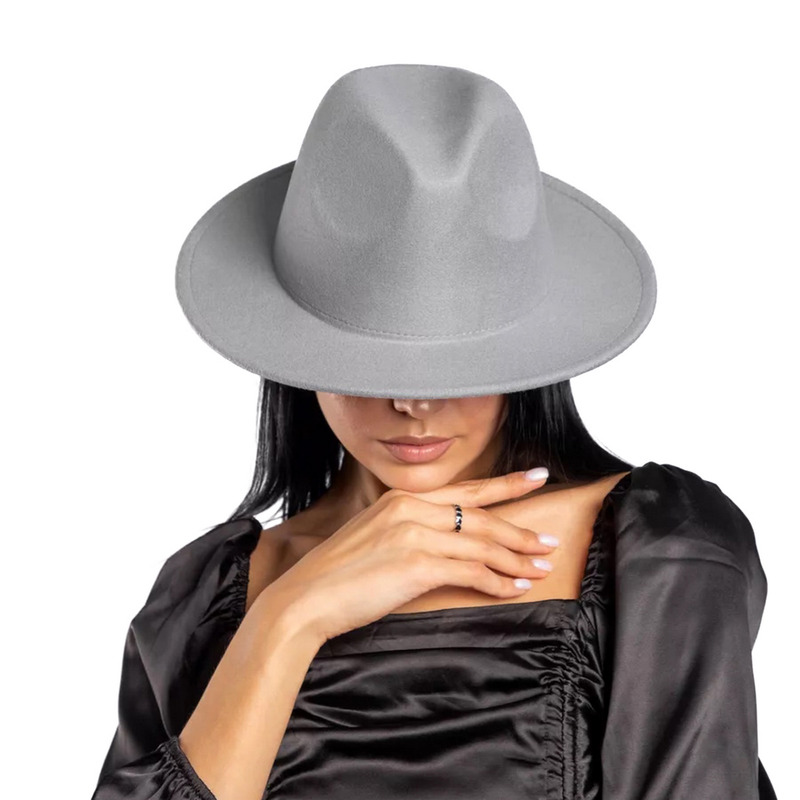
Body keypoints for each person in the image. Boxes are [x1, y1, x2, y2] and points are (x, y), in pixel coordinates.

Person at [90, 64, 778, 800]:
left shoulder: (661, 548)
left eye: (458, 361)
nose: (412, 404)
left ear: (526, 352)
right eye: (365, 359)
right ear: (295, 349)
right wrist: (289, 617)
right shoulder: (203, 596)